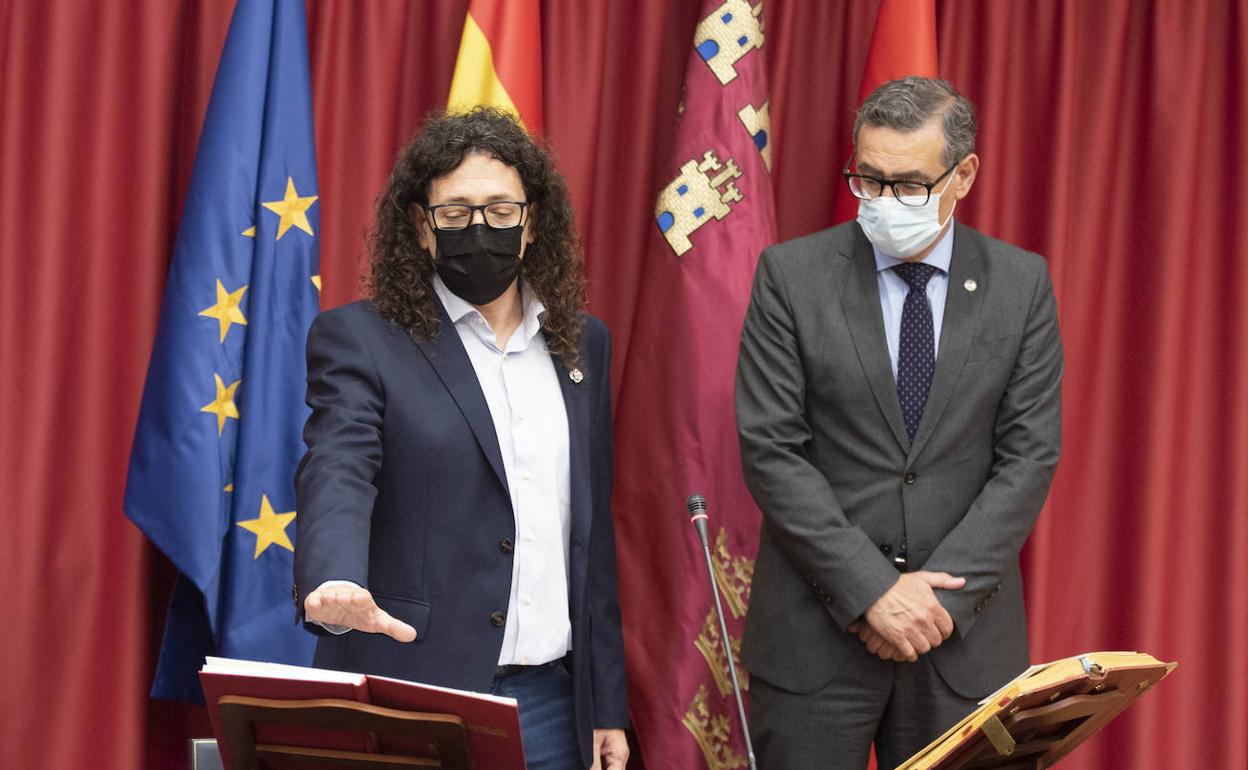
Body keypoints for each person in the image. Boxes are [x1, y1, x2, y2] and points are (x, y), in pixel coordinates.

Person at [735, 77, 1063, 769]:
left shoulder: (1020, 283)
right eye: (869, 180)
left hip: (961, 643)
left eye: (909, 185)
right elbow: (771, 450)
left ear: (963, 173)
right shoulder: (790, 277)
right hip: (814, 643)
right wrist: (872, 592)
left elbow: (1028, 456)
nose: (884, 203)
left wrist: (935, 603)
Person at [292, 107, 629, 770]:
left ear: (532, 223)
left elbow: (591, 537)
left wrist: (605, 703)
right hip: (413, 691)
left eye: (502, 209)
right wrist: (332, 573)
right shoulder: (361, 338)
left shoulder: (582, 343)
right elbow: (338, 466)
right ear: (421, 226)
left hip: (553, 702)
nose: (481, 229)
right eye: (457, 212)